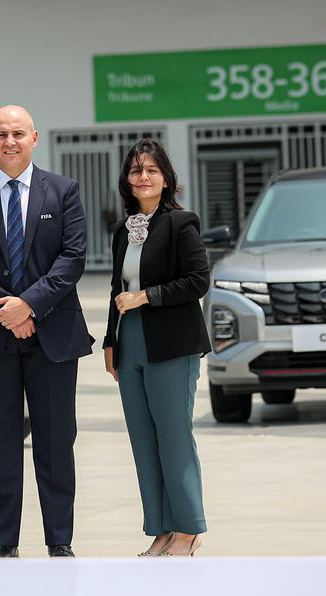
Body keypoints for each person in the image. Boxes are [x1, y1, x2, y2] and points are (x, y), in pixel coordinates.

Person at [0, 105, 92, 559]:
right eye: (1, 134)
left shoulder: (64, 192)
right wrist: (8, 311)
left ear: (35, 138)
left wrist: (28, 305)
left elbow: (72, 258)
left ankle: (59, 541)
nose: (10, 141)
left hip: (53, 336)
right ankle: (2, 543)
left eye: (18, 133)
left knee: (55, 443)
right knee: (2, 445)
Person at [101, 138, 210, 557]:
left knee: (174, 435)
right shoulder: (122, 231)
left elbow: (197, 280)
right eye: (135, 171)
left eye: (150, 170)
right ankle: (160, 528)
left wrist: (146, 297)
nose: (142, 177)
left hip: (171, 342)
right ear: (127, 181)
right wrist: (111, 340)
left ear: (166, 178)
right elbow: (116, 288)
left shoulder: (182, 224)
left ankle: (188, 528)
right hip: (130, 344)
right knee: (143, 438)